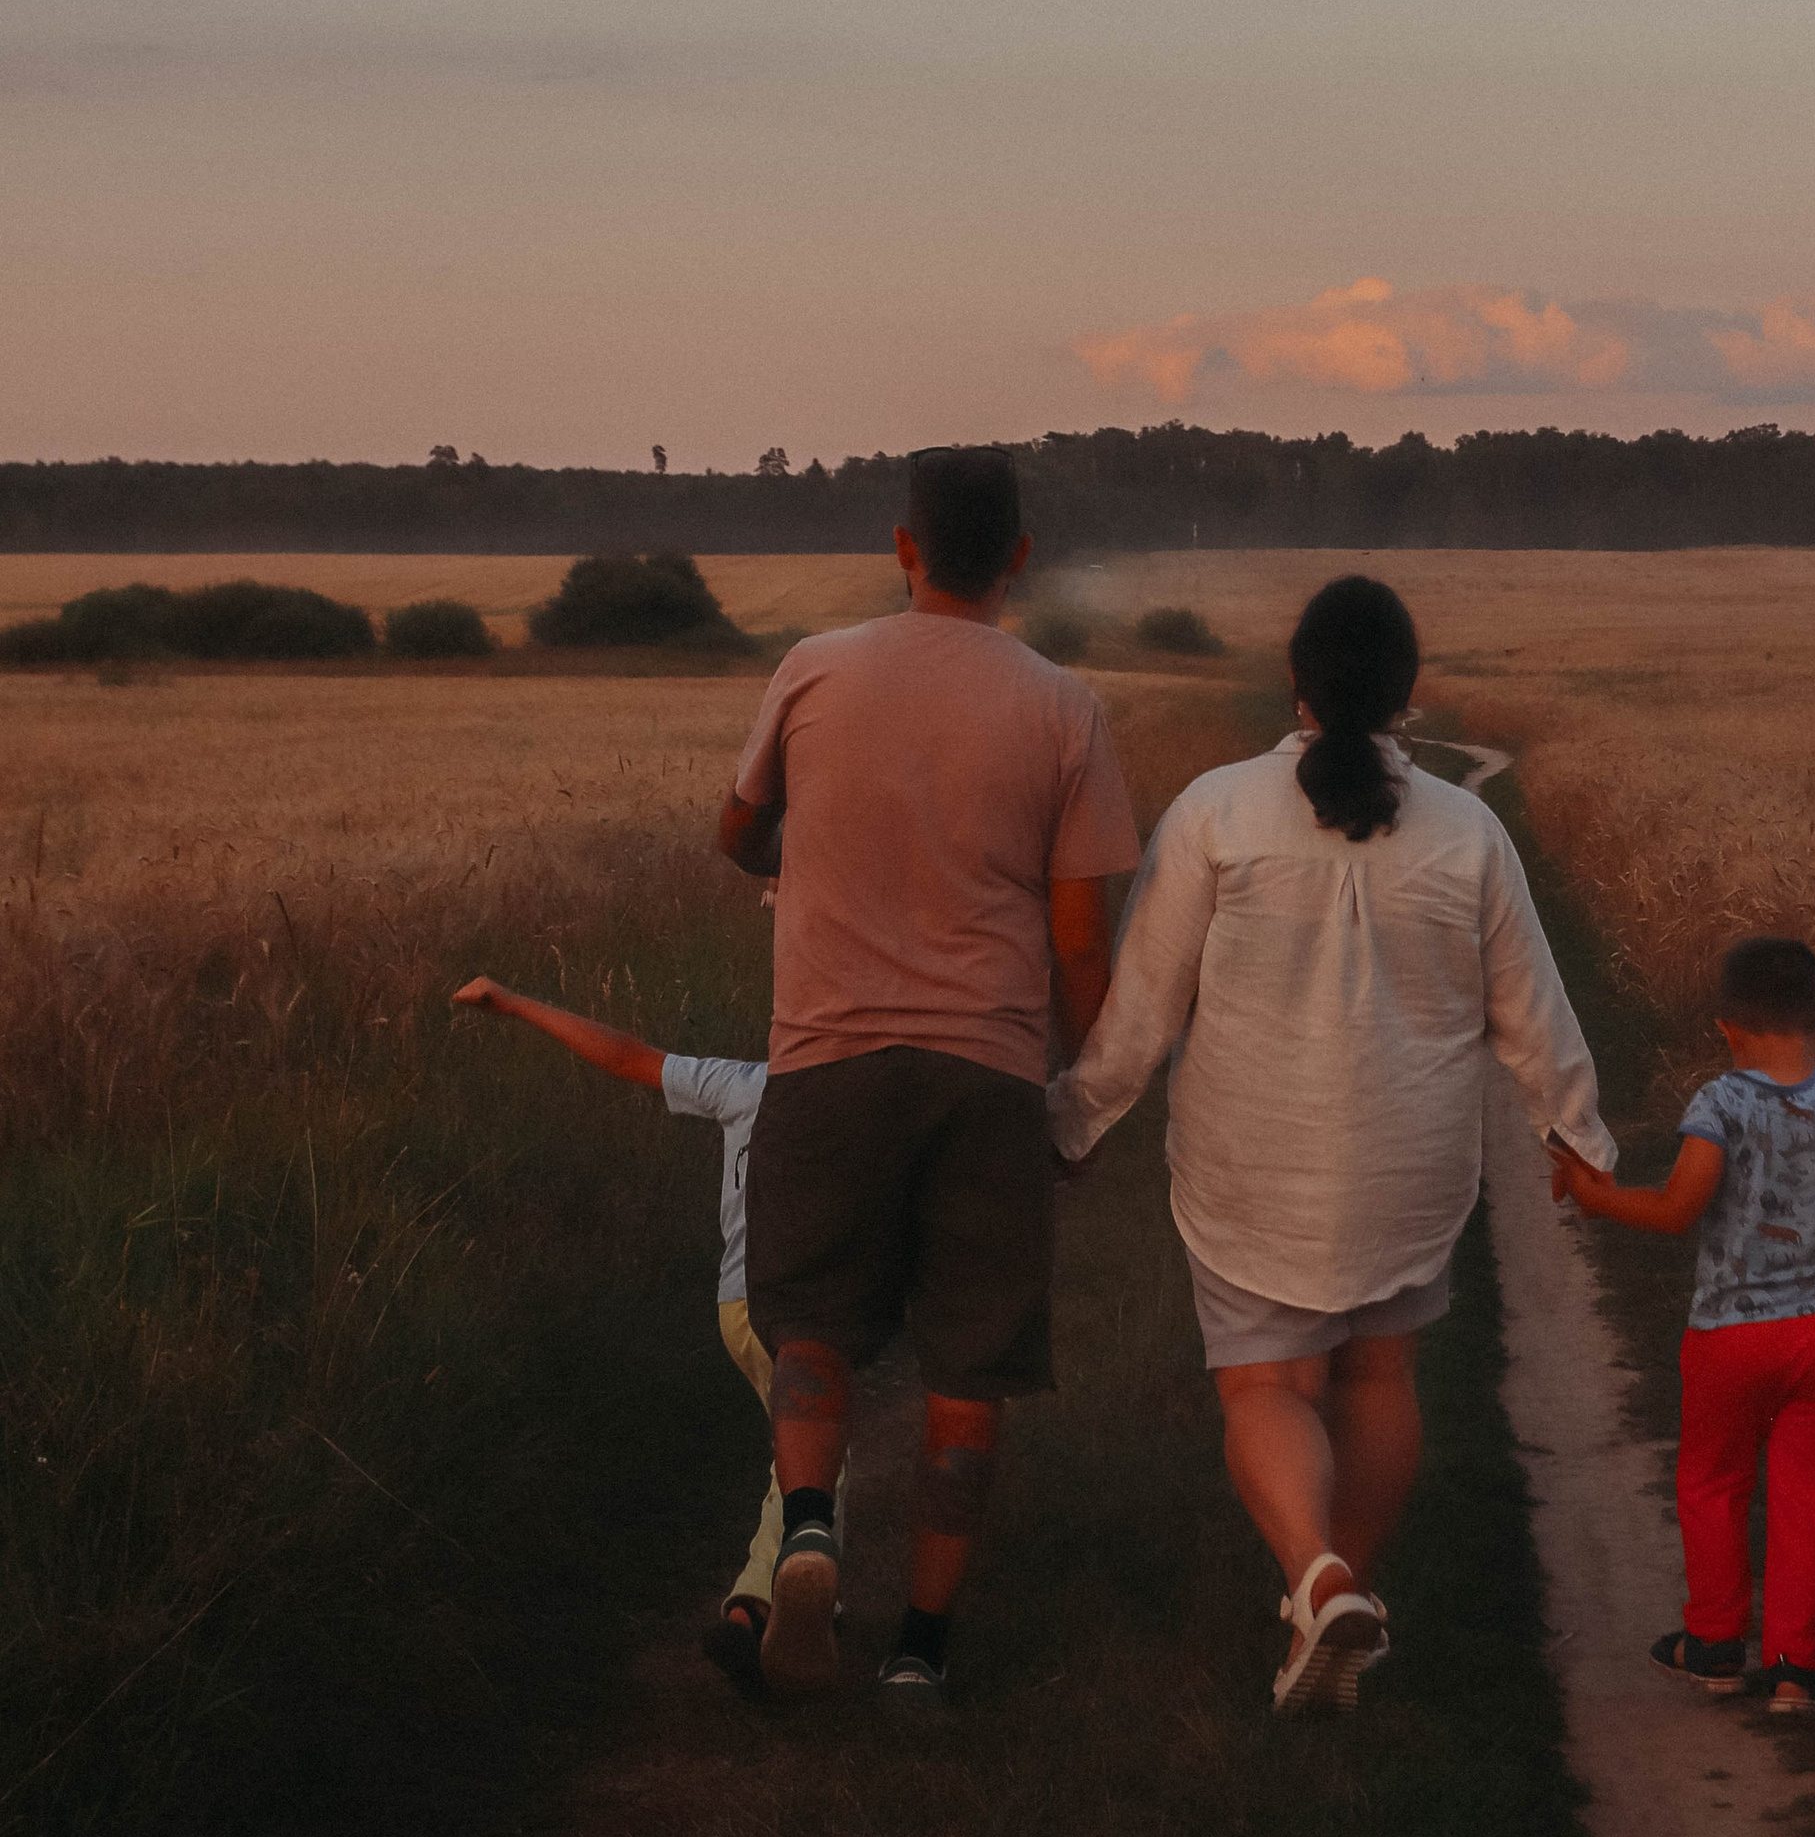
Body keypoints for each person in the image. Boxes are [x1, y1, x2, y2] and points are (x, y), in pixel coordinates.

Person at [1048, 572, 1615, 1716]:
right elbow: (1530, 1006)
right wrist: (1576, 1132)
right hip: (1410, 1160)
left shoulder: (1213, 809)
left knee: (1266, 1381)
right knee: (1378, 1371)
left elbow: (1144, 1006)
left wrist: (1076, 1120)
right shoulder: (1469, 828)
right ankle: (1342, 1592)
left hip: (1251, 1159)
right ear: (1407, 694)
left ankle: (1314, 1576)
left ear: (1295, 681)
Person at [718, 443, 1140, 1705]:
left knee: (812, 1322)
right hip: (986, 1073)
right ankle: (919, 1652)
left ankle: (805, 1527)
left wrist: (807, 852)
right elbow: (1076, 936)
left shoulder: (813, 667)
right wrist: (1091, 1093)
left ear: (900, 545)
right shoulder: (1065, 706)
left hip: (828, 1057)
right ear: (1017, 555)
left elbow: (737, 830)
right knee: (967, 1366)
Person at [1548, 931, 1815, 1711]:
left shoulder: (1719, 1103)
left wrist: (1594, 1193)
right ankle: (1797, 1668)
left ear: (1727, 1028)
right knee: (1811, 1495)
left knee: (1713, 1483)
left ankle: (1714, 1647)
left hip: (1729, 1335)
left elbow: (1678, 1210)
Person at [446, 969, 826, 1685]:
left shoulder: (743, 1084)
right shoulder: (856, 1106)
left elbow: (628, 1057)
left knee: (800, 1453)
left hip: (737, 1307)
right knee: (818, 1456)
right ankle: (759, 1612)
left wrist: (514, 1001)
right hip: (802, 1314)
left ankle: (802, 1603)